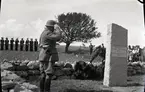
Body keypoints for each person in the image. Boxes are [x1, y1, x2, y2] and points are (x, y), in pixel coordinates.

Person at [38, 20, 62, 92]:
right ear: (51, 27)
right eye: (53, 27)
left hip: (43, 55)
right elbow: (58, 36)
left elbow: (58, 39)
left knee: (43, 74)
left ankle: (41, 90)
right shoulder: (48, 33)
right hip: (49, 56)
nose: (54, 29)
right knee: (48, 74)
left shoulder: (44, 32)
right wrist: (58, 29)